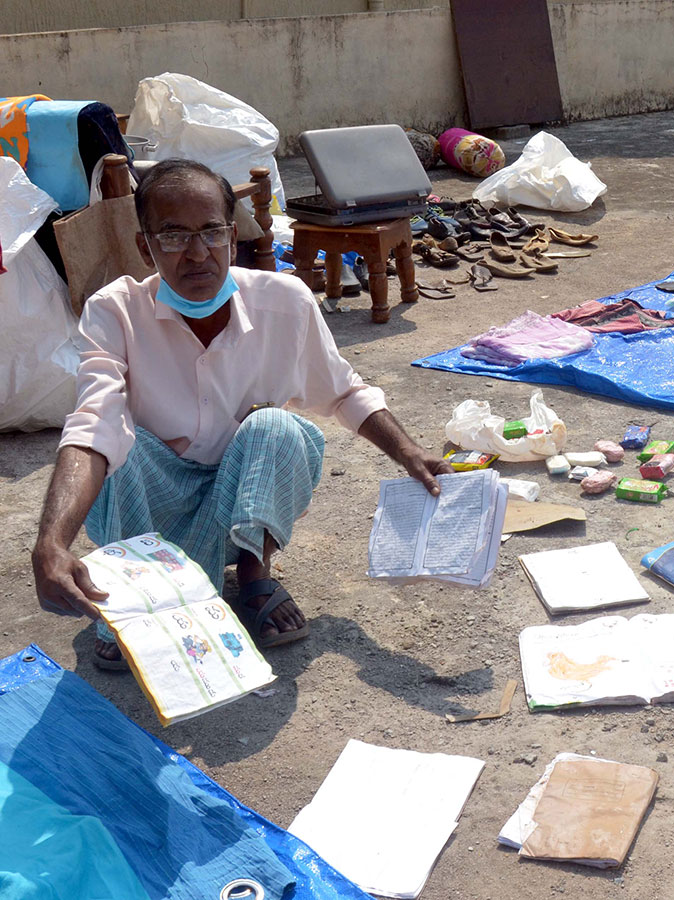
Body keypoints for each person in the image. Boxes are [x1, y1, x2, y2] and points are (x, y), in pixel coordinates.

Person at [31, 158, 451, 669]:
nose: (197, 253)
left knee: (279, 427)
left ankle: (253, 576)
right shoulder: (114, 311)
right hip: (151, 508)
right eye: (173, 236)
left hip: (243, 506)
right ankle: (140, 598)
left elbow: (342, 392)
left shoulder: (285, 301)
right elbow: (94, 423)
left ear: (232, 236)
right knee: (122, 446)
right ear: (145, 247)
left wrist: (409, 453)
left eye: (211, 232)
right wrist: (52, 541)